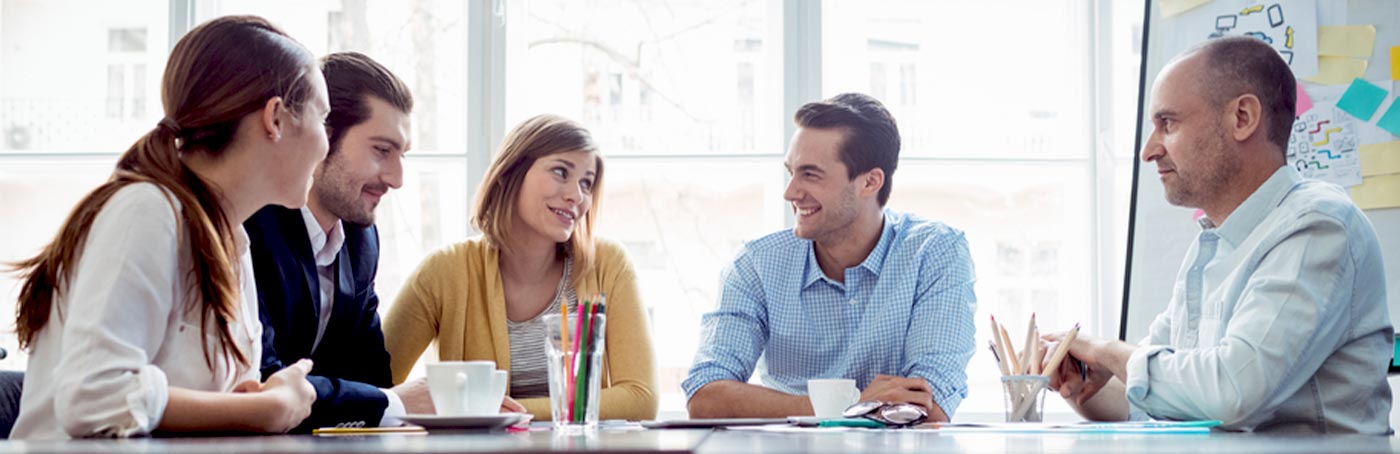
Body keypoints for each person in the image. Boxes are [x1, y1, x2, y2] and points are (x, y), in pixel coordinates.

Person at [1045, 36, 1391, 434]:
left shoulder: (1320, 226)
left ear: (1242, 118)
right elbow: (1151, 397)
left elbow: (1231, 392)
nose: (1149, 150)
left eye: (1167, 123)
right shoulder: (1211, 246)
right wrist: (1077, 384)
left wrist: (1107, 352)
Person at [7, 15, 328, 439]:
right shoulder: (147, 212)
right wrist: (266, 407)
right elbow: (94, 397)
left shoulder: (232, 239)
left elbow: (183, 404)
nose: (326, 144)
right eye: (323, 119)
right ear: (276, 118)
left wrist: (246, 402)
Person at [683, 93, 977, 421]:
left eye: (810, 175)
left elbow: (929, 406)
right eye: (790, 172)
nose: (790, 192)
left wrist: (801, 410)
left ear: (870, 181)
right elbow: (704, 396)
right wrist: (845, 406)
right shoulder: (756, 265)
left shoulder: (935, 253)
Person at [384, 114, 657, 421]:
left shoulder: (608, 265)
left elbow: (639, 398)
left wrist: (498, 411)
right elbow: (373, 387)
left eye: (586, 183)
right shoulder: (444, 272)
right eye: (560, 172)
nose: (577, 196)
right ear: (510, 172)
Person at [245, 51, 431, 432]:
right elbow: (264, 380)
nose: (397, 178)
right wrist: (391, 401)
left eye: (402, 155)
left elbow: (370, 378)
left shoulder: (362, 241)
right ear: (322, 137)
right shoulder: (252, 227)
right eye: (382, 150)